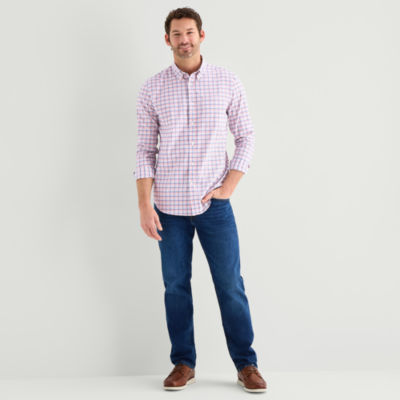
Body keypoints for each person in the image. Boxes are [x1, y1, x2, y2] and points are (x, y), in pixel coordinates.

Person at [133, 7, 267, 393]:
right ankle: (183, 363)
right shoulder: (152, 89)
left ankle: (246, 364)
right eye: (177, 34)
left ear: (202, 35)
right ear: (167, 40)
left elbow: (246, 136)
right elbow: (144, 150)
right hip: (168, 209)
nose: (184, 40)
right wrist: (144, 204)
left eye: (190, 32)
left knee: (230, 284)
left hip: (214, 207)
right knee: (176, 286)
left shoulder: (226, 81)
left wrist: (229, 186)